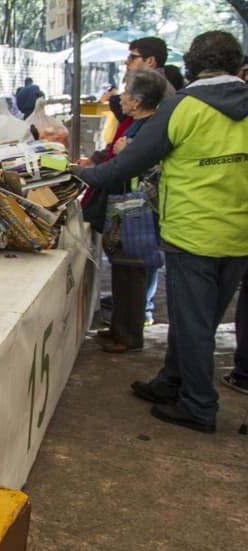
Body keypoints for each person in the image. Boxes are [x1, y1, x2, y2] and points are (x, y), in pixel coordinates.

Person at [72, 31, 248, 433]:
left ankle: (199, 405)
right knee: (201, 319)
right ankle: (171, 382)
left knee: (193, 325)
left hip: (193, 232)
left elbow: (127, 164)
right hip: (240, 233)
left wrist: (82, 173)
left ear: (190, 64)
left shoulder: (183, 108)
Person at [83, 69, 169, 354]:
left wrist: (89, 171)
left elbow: (133, 165)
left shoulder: (150, 130)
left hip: (138, 212)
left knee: (132, 271)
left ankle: (130, 335)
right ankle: (120, 327)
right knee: (121, 270)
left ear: (138, 101)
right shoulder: (136, 123)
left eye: (127, 94)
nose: (122, 98)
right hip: (125, 208)